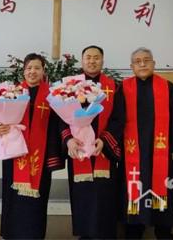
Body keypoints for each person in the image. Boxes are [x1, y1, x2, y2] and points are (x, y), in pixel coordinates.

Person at [115, 47, 173, 239]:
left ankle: (164, 232)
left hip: (162, 153)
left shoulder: (167, 87)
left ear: (154, 64)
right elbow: (117, 119)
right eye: (138, 61)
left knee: (163, 189)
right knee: (134, 189)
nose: (142, 64)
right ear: (131, 66)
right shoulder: (123, 88)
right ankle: (133, 231)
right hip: (132, 153)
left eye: (146, 60)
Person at [0, 53, 64, 239]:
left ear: (43, 71)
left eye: (37, 68)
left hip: (42, 154)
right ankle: (10, 234)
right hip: (14, 154)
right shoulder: (11, 94)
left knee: (37, 201)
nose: (33, 72)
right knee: (12, 198)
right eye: (29, 68)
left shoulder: (54, 96)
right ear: (23, 71)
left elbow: (60, 125)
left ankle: (34, 235)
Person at [63, 45, 123, 239]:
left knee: (104, 195)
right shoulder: (70, 86)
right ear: (82, 61)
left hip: (102, 150)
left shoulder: (113, 86)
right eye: (88, 57)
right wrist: (69, 140)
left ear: (102, 61)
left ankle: (105, 234)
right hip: (78, 150)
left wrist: (105, 140)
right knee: (82, 195)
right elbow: (60, 118)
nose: (92, 61)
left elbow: (118, 118)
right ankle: (84, 234)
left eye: (96, 57)